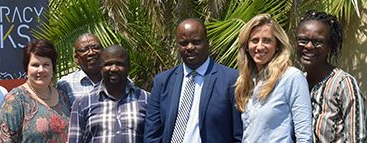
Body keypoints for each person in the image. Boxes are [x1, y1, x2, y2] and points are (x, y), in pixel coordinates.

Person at [144, 18, 242, 143]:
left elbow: (239, 134)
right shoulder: (162, 82)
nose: (189, 47)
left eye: (196, 42)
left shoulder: (230, 80)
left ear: (207, 42)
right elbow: (152, 133)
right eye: (183, 43)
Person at [234, 13, 312, 142]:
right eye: (254, 40)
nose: (259, 46)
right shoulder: (246, 81)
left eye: (267, 40)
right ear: (247, 46)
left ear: (277, 46)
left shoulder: (291, 77)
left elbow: (304, 136)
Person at [296, 10, 366, 142]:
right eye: (303, 40)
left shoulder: (344, 84)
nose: (309, 46)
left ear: (330, 46)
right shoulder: (296, 82)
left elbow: (357, 138)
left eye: (318, 42)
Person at [68, 45, 150, 143]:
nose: (114, 68)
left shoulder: (146, 99)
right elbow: (75, 140)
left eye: (119, 64)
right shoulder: (83, 103)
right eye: (108, 64)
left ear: (128, 67)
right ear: (100, 67)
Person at [0, 39, 70, 143]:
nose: (41, 70)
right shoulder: (16, 100)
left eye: (46, 64)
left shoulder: (63, 97)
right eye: (35, 65)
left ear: (53, 67)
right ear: (26, 68)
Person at [58, 33, 103, 103]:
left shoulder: (118, 79)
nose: (91, 52)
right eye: (84, 50)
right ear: (76, 58)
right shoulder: (66, 84)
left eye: (96, 47)